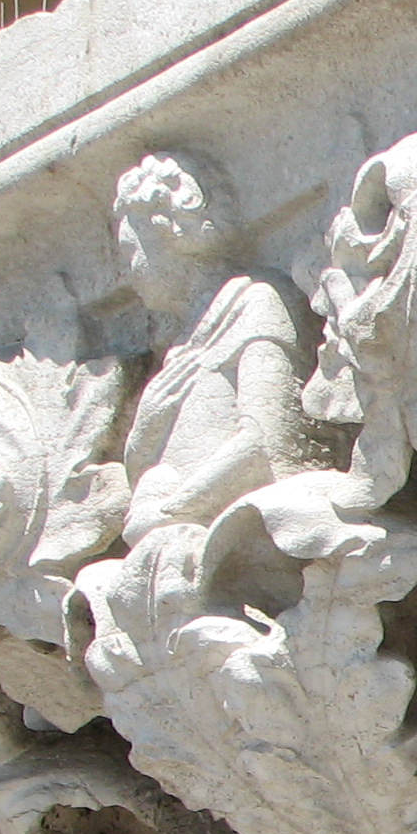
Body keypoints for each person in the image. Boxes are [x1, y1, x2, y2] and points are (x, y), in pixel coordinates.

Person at [112, 152, 327, 542]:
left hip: (244, 532)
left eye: (130, 252)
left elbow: (265, 442)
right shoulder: (178, 351)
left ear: (172, 232)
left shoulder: (254, 302)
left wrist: (174, 509)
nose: (125, 273)